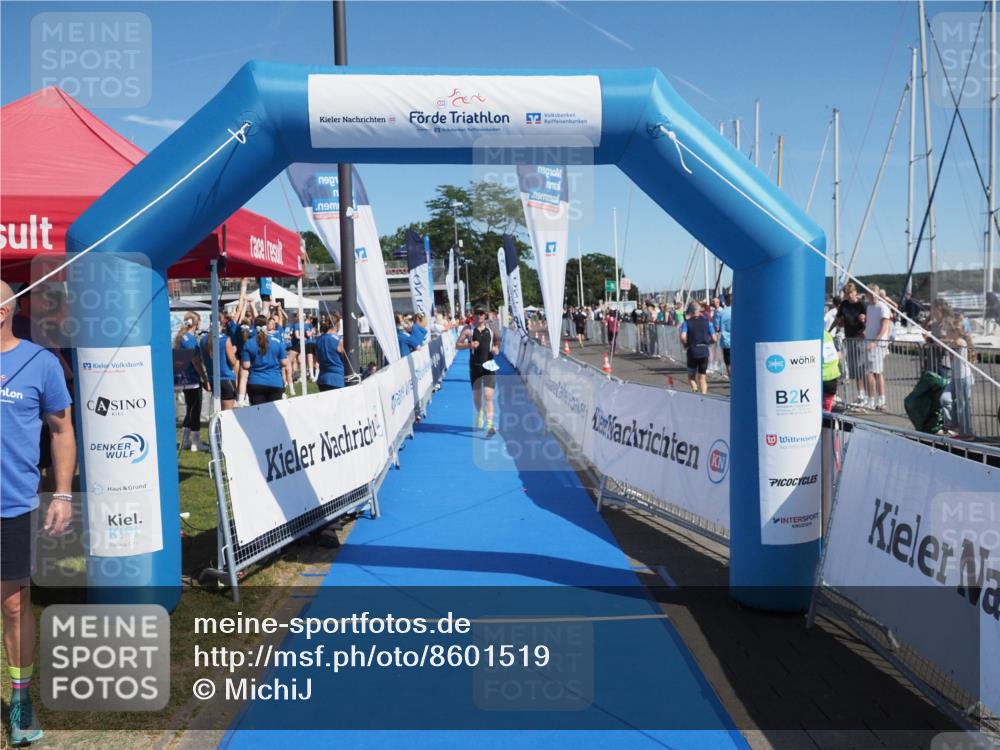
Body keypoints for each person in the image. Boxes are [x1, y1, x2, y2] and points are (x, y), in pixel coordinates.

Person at [1, 280, 75, 746]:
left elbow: (61, 430)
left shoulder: (39, 363)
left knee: (13, 604)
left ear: (3, 310)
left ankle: (20, 699)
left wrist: (63, 494)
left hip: (13, 504)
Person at [456, 306, 500, 437]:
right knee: (477, 396)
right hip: (475, 366)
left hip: (489, 365)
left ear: (485, 315)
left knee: (488, 396)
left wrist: (496, 348)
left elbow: (498, 341)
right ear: (473, 315)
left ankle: (490, 425)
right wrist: (469, 345)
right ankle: (480, 412)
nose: (479, 316)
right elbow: (457, 345)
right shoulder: (468, 330)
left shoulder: (492, 329)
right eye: (477, 313)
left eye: (482, 313)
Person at [173, 313, 209, 451]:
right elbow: (196, 361)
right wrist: (204, 378)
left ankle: (186, 441)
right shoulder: (190, 339)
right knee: (195, 410)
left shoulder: (182, 337)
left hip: (184, 378)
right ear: (196, 322)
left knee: (190, 409)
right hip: (192, 379)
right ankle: (195, 442)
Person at [239, 315, 288, 405]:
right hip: (275, 382)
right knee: (273, 416)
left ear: (254, 326)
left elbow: (246, 365)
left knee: (258, 417)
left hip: (255, 382)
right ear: (267, 325)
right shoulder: (277, 341)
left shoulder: (248, 343)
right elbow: (284, 362)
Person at [834, 283, 868, 406]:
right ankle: (860, 396)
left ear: (855, 292)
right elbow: (838, 319)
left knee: (860, 367)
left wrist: (864, 319)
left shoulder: (861, 304)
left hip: (859, 338)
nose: (849, 296)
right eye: (847, 294)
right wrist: (833, 329)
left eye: (851, 293)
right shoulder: (844, 304)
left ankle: (863, 395)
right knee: (853, 368)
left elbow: (869, 321)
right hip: (848, 338)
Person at [199, 315, 239, 411]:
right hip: (226, 378)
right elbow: (232, 361)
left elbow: (203, 359)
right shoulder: (225, 339)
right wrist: (233, 351)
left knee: (218, 411)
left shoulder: (203, 339)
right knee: (227, 412)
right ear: (222, 324)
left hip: (213, 378)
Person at [864, 285, 892, 411]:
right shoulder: (869, 307)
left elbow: (884, 326)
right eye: (871, 294)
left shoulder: (882, 307)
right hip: (869, 342)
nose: (873, 296)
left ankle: (879, 400)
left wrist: (875, 341)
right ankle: (875, 399)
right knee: (872, 372)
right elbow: (870, 324)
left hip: (878, 344)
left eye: (875, 294)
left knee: (874, 372)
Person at [679, 301, 717, 394]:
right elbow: (715, 338)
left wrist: (685, 345)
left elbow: (683, 336)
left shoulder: (687, 323)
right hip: (704, 351)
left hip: (692, 351)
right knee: (702, 377)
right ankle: (704, 395)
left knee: (691, 377)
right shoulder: (708, 323)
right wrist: (708, 343)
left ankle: (695, 391)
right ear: (699, 311)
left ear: (690, 311)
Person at [315, 315, 345, 392]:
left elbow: (317, 359)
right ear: (337, 324)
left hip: (322, 379)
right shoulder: (339, 340)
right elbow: (346, 359)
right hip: (337, 379)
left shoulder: (319, 340)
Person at [821, 327, 842, 412]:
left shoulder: (813, 335)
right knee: (827, 404)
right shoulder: (828, 335)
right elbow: (839, 354)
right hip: (833, 375)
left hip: (821, 377)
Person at [714, 292, 733, 377]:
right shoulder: (739, 312)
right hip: (739, 341)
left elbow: (717, 328)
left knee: (728, 363)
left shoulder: (721, 313)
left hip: (726, 342)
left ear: (725, 301)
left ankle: (732, 380)